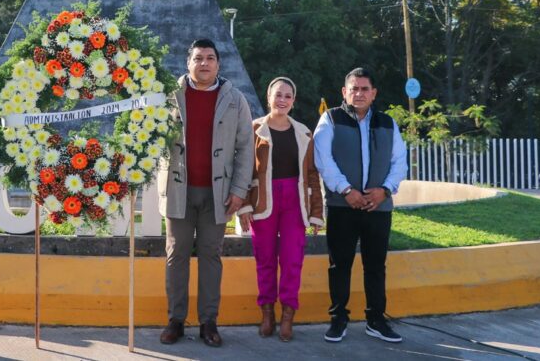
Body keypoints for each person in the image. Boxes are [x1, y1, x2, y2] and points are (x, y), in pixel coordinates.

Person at [160, 39, 254, 347]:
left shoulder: (234, 99)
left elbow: (244, 148)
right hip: (178, 191)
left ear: (218, 64)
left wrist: (239, 191)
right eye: (198, 58)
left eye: (210, 58)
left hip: (219, 193)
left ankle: (208, 322)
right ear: (188, 63)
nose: (204, 63)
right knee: (177, 256)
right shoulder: (168, 96)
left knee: (211, 256)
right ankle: (175, 320)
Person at [313, 68, 407, 344]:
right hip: (343, 206)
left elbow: (399, 161)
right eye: (354, 88)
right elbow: (323, 159)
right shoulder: (330, 119)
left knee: (375, 266)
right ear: (344, 92)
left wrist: (385, 190)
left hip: (378, 207)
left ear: (374, 93)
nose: (359, 93)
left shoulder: (388, 123)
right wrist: (346, 190)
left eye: (365, 89)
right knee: (339, 265)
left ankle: (376, 320)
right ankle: (338, 318)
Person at [238, 77, 324, 341]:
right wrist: (243, 206)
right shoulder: (254, 129)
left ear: (293, 101)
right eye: (278, 95)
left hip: (295, 202)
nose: (282, 100)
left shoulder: (303, 132)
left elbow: (311, 174)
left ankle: (288, 315)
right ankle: (267, 314)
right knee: (264, 260)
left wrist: (316, 212)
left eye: (288, 96)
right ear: (268, 97)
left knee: (291, 261)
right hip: (263, 200)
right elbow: (243, 170)